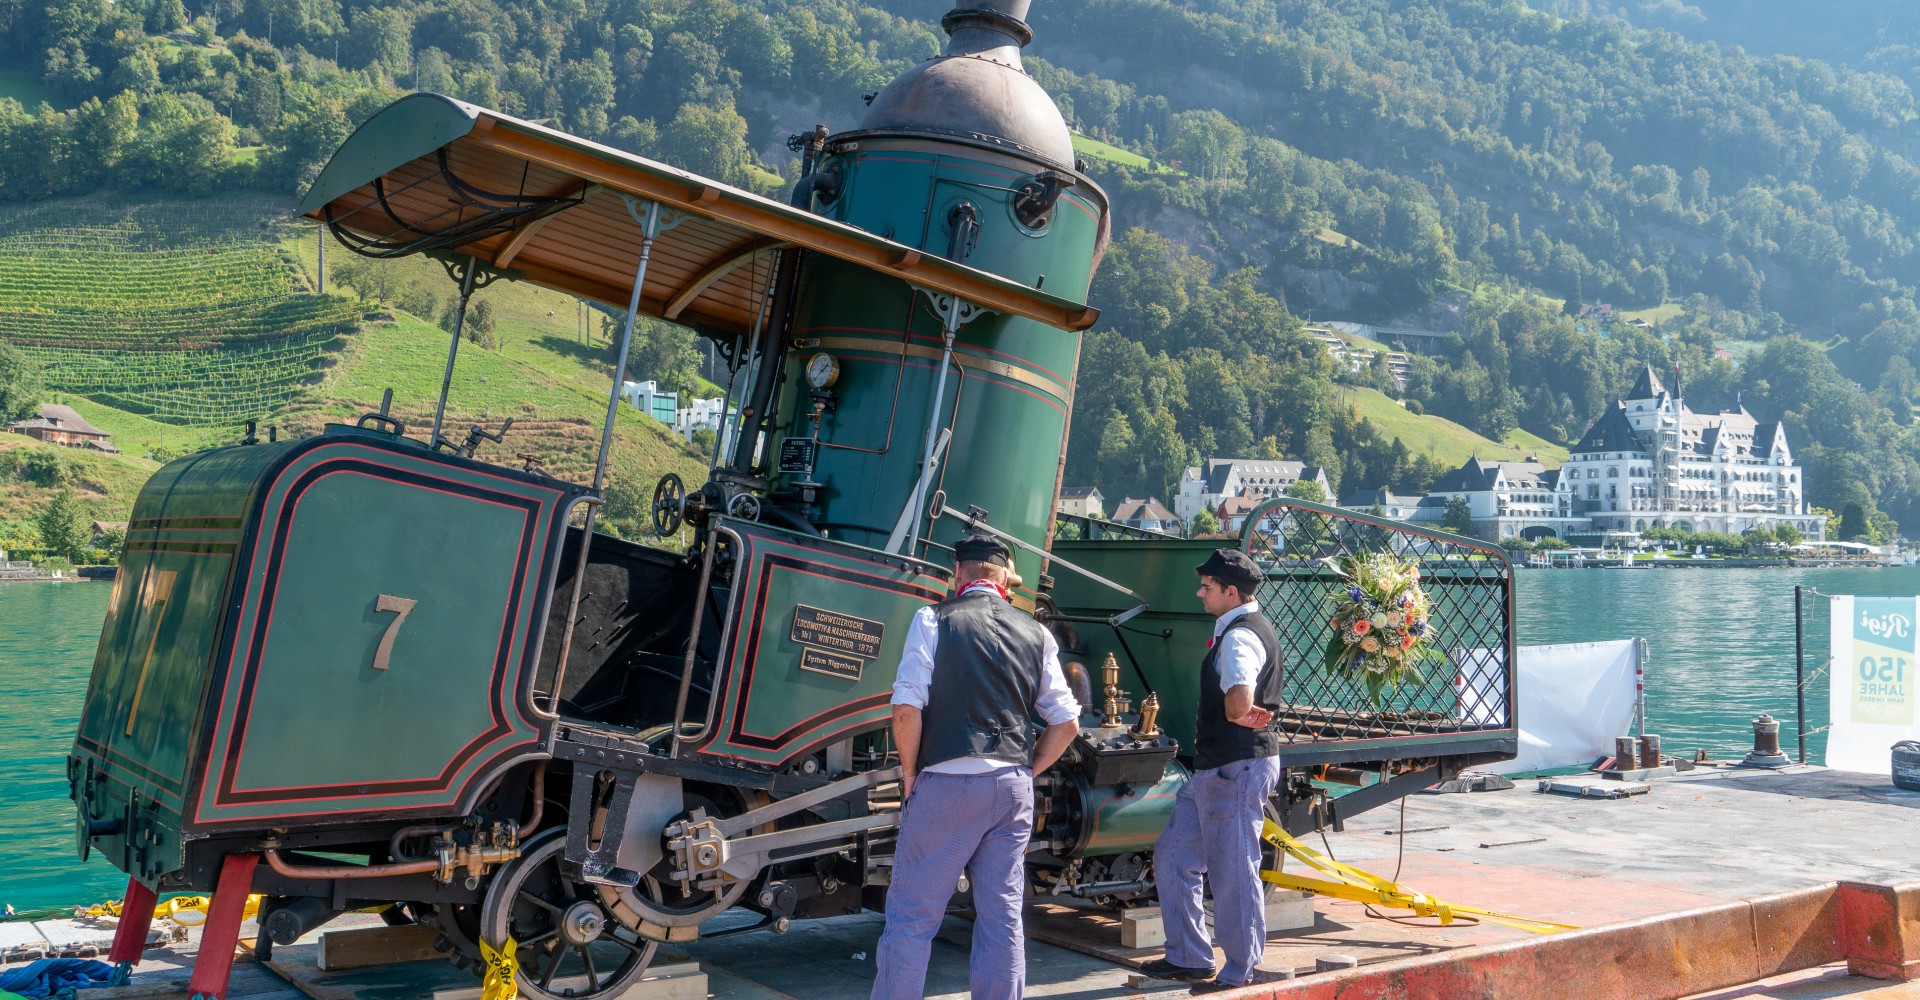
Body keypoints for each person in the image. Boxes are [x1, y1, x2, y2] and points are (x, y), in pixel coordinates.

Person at [870, 533, 1081, 1000]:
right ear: (1005, 578)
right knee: (1002, 916)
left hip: (946, 781)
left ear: (958, 574)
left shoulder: (933, 620)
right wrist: (1031, 770)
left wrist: (909, 774)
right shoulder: (1037, 632)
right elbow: (1066, 721)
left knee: (912, 916)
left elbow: (906, 708)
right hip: (1010, 786)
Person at [1142, 547, 1287, 991]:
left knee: (1232, 868)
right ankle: (1188, 956)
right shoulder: (1241, 629)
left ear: (1230, 591)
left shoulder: (1241, 637)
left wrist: (1240, 713)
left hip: (1234, 768)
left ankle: (1240, 971)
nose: (1198, 593)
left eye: (1207, 587)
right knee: (1174, 857)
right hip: (1217, 769)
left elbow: (1240, 698)